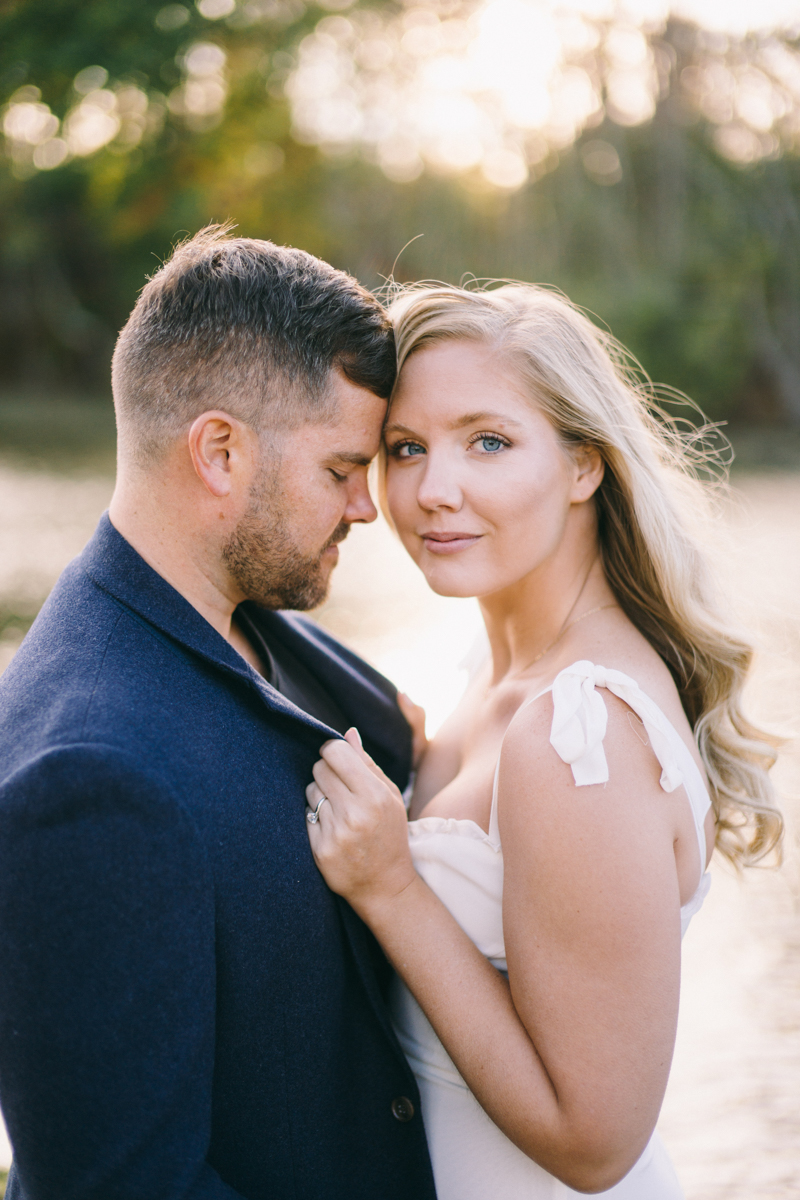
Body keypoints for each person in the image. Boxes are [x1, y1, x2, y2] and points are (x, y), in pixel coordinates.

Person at [303, 283, 783, 1198]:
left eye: (489, 441)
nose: (434, 491)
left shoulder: (580, 729)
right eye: (406, 449)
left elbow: (594, 1140)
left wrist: (392, 887)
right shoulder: (491, 684)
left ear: (583, 467)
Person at [0, 229, 437, 1200]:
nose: (367, 507)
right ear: (220, 452)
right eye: (339, 469)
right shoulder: (86, 775)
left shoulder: (265, 624)